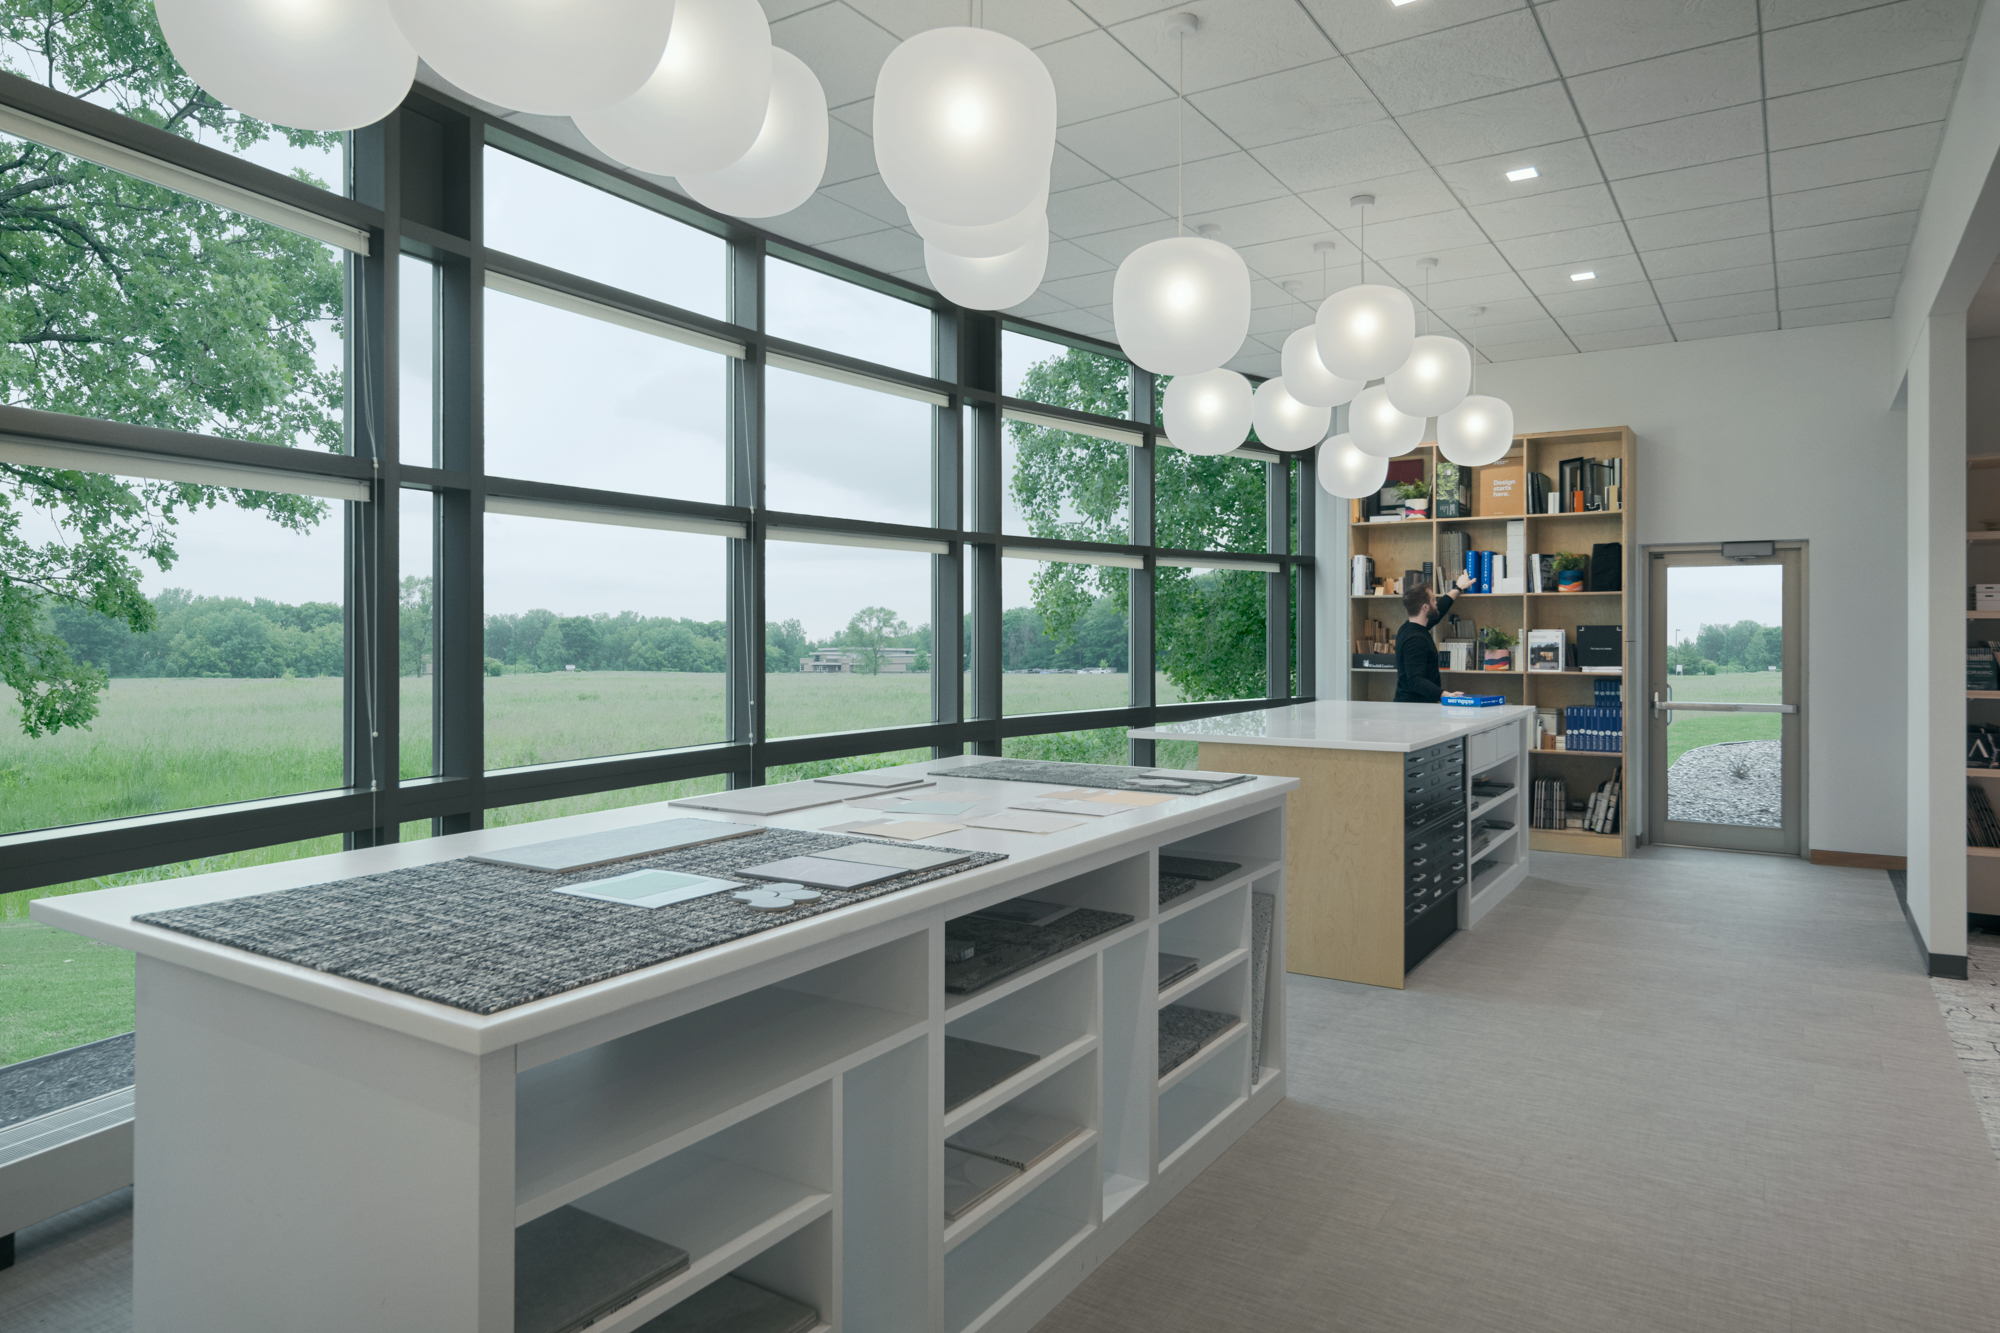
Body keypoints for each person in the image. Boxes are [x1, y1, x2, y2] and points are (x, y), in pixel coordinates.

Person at [1394, 570, 1475, 703]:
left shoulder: (1409, 627)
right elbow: (1416, 680)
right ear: (1425, 607)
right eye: (1433, 600)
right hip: (1413, 711)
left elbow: (1439, 610)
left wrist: (1458, 588)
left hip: (1413, 707)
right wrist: (1444, 694)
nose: (1436, 602)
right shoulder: (1415, 640)